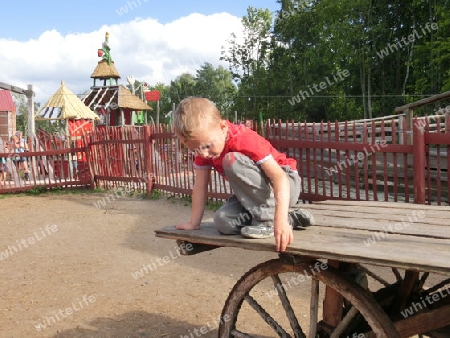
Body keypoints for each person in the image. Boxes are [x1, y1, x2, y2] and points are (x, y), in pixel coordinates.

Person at [173, 97, 315, 252]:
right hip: (257, 198)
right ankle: (290, 219)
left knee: (231, 160)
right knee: (223, 222)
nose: (204, 154)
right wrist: (194, 223)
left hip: (285, 185)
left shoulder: (242, 139)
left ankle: (270, 221)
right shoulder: (203, 148)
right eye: (196, 150)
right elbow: (200, 187)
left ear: (222, 127)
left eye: (207, 146)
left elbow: (279, 178)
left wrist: (278, 221)